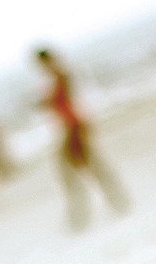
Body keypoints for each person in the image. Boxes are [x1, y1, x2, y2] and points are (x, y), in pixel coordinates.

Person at [36, 47, 128, 229]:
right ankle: (114, 204)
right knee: (87, 170)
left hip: (73, 128)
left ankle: (83, 217)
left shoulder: (60, 76)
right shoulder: (58, 77)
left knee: (77, 173)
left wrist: (46, 101)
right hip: (73, 127)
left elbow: (61, 99)